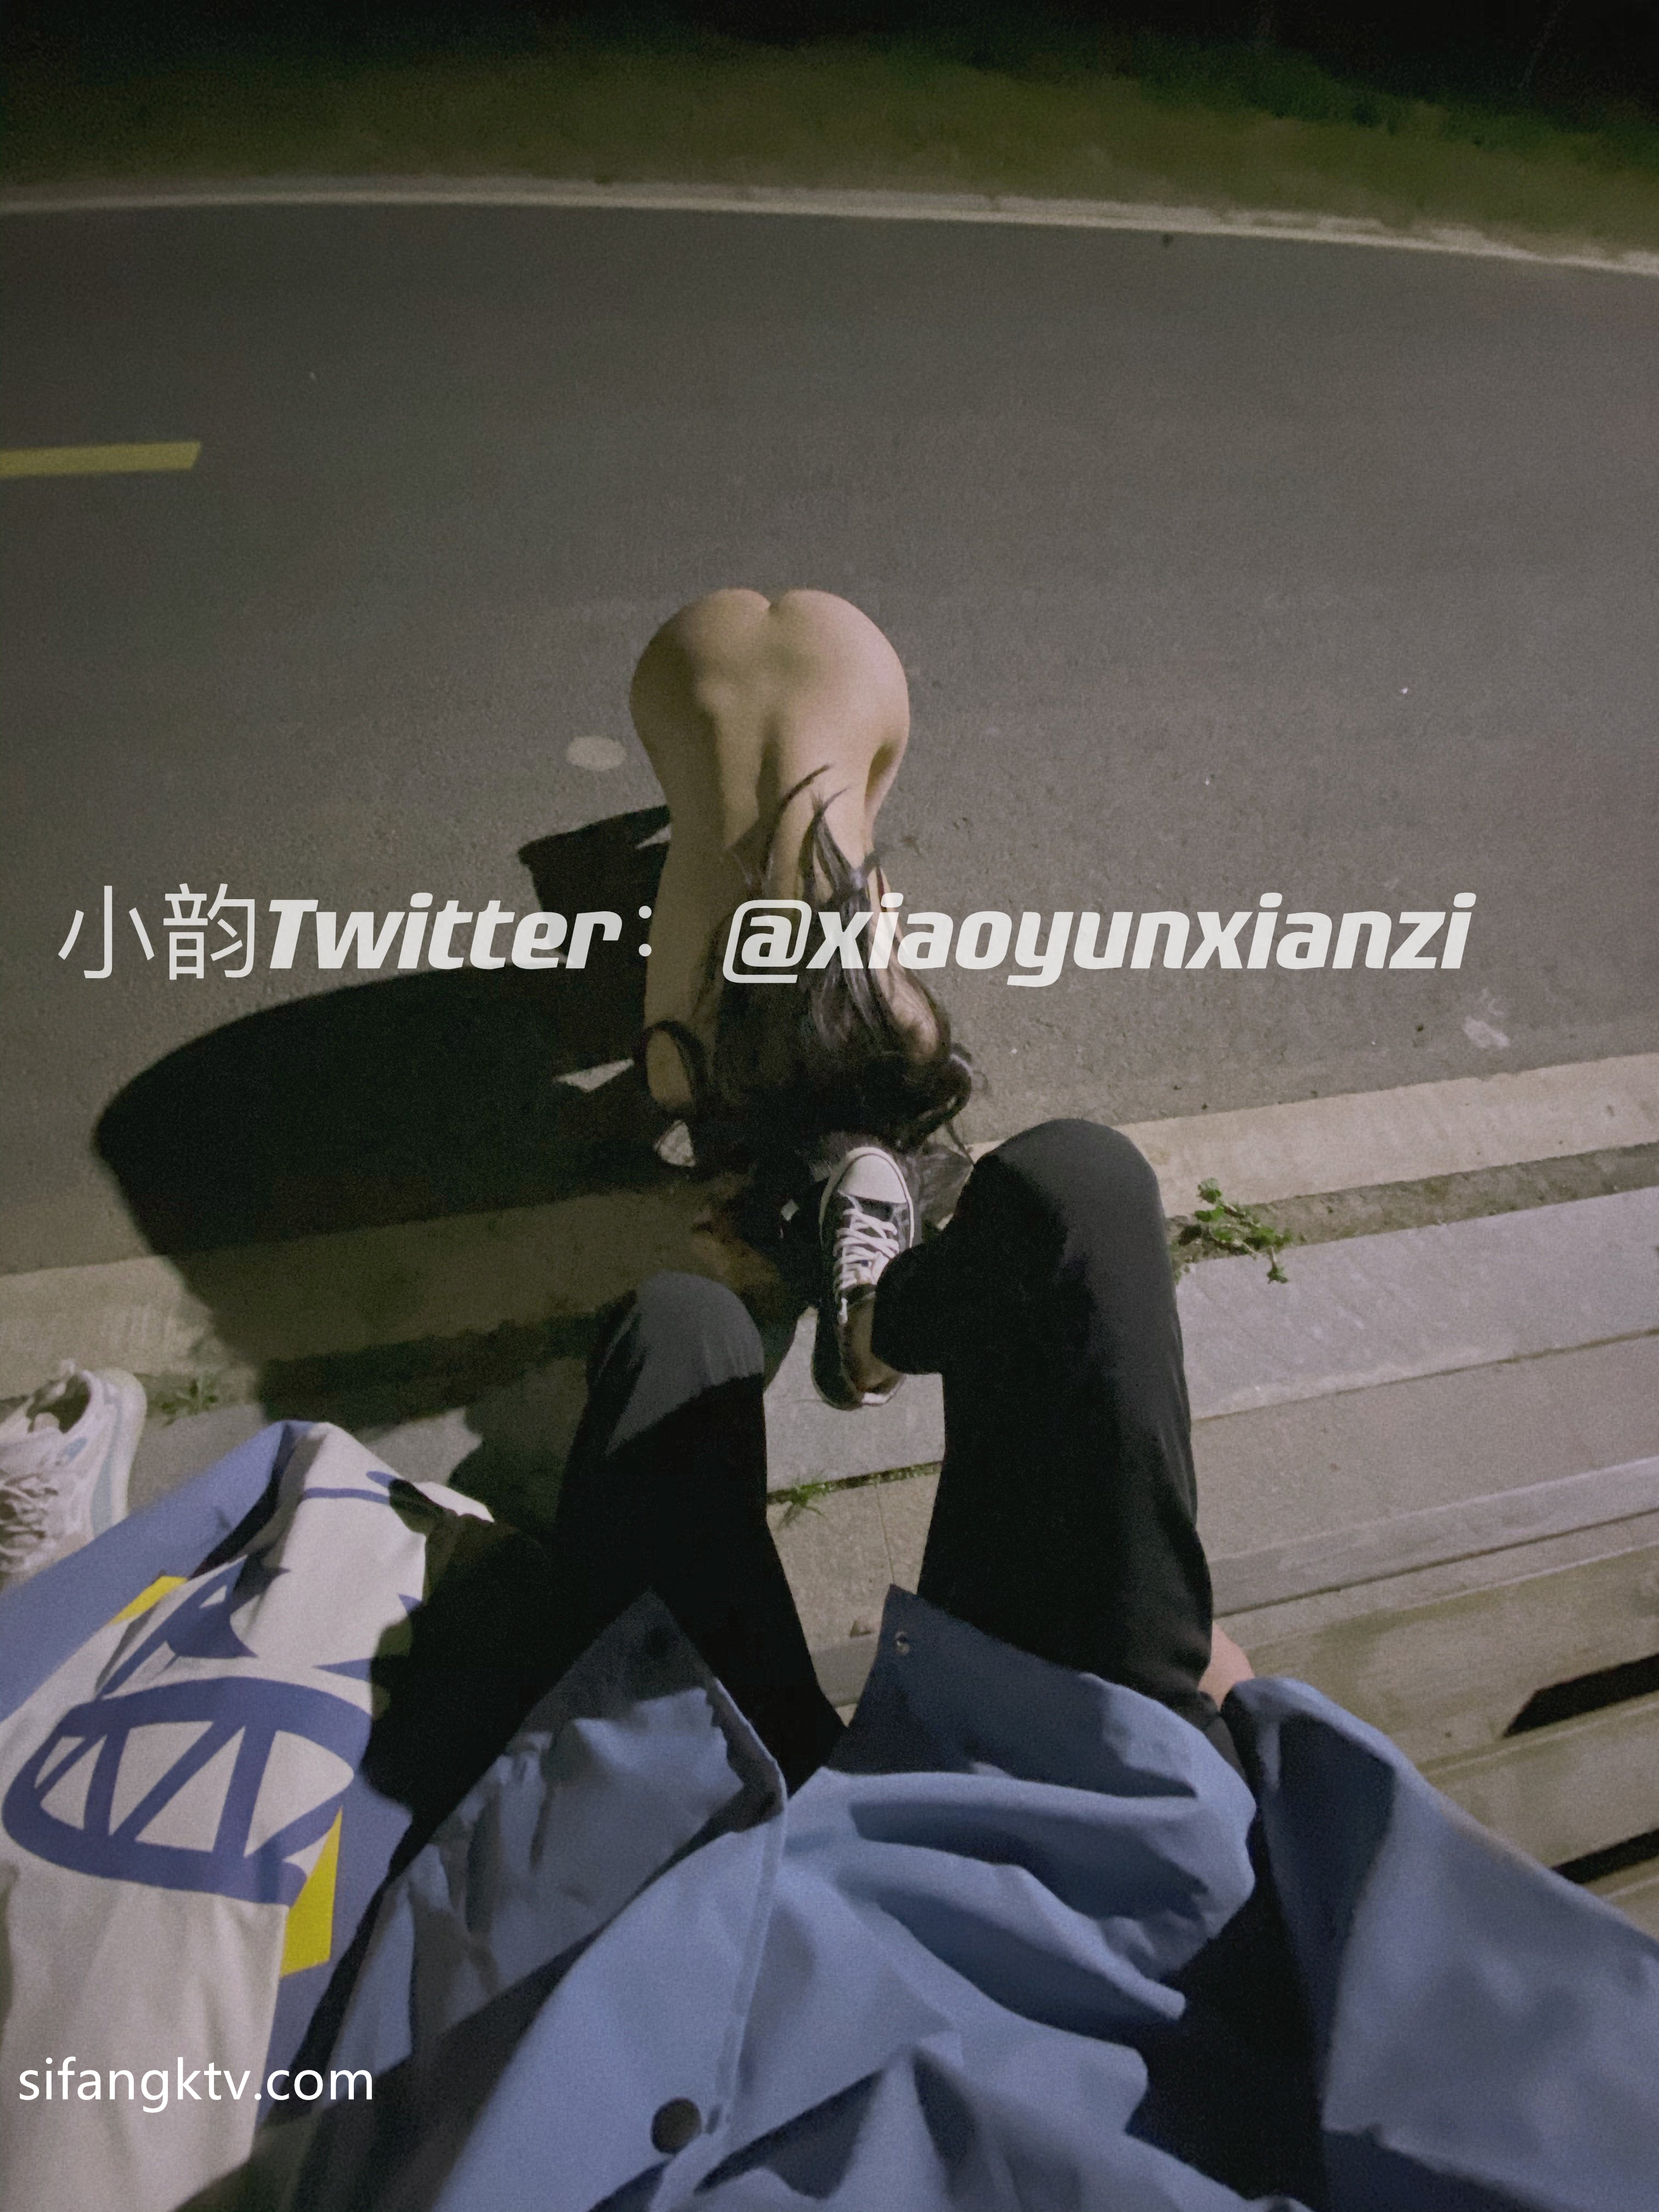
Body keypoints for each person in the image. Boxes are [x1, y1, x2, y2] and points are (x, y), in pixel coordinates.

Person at [5, 1125, 1657, 2212]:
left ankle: (677, 1431)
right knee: (1070, 1202)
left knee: (686, 1337)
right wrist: (1255, 1737)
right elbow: (1533, 2052)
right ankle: (869, 1332)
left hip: (586, 1992)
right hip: (1084, 1894)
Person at [627, 588, 973, 1190]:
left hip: (852, 660)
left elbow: (878, 905)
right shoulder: (679, 1073)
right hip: (685, 671)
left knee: (848, 840)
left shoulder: (905, 1038)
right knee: (700, 814)